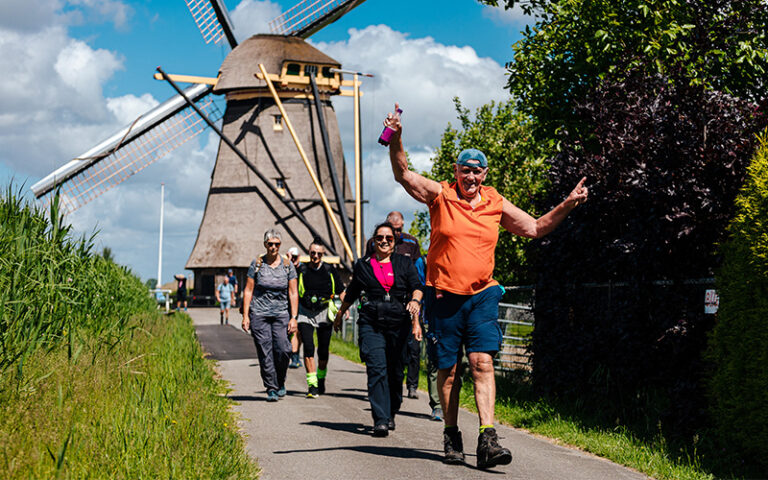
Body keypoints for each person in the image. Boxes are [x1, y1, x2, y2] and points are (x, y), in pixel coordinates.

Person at [384, 103, 588, 468]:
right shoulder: (440, 195)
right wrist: (397, 137)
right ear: (456, 171)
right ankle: (451, 434)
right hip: (444, 295)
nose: (471, 178)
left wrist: (568, 204)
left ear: (486, 174)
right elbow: (403, 173)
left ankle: (488, 438)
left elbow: (536, 228)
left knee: (481, 363)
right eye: (466, 171)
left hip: (481, 295)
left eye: (478, 173)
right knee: (448, 371)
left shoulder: (495, 202)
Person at [334, 222, 424, 437]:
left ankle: (392, 410)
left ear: (394, 242)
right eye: (380, 238)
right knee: (376, 369)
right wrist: (339, 314)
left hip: (398, 323)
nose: (384, 241)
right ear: (373, 241)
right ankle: (381, 419)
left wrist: (415, 302)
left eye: (389, 238)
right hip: (371, 322)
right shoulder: (363, 265)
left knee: (395, 372)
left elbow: (417, 287)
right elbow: (353, 291)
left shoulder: (404, 263)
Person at [366, 211, 423, 400]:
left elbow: (419, 274)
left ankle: (412, 385)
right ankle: (387, 384)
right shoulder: (376, 243)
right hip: (383, 306)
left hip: (410, 302)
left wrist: (417, 299)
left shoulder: (412, 243)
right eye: (393, 230)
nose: (396, 234)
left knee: (414, 348)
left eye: (399, 230)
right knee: (388, 349)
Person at [242, 229, 299, 402]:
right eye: (270, 244)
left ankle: (280, 380)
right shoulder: (257, 264)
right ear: (265, 244)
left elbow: (293, 292)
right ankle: (271, 388)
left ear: (280, 245)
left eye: (277, 244)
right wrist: (246, 316)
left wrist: (294, 317)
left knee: (283, 349)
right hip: (259, 313)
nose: (273, 247)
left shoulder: (287, 265)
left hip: (281, 313)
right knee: (265, 351)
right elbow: (248, 290)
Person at [296, 239, 344, 397]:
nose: (315, 256)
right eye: (312, 253)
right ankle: (312, 385)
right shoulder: (302, 270)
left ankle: (321, 377)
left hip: (324, 312)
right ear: (309, 253)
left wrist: (345, 309)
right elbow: (293, 291)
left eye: (318, 253)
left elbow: (341, 291)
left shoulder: (330, 270)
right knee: (308, 347)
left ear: (323, 255)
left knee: (323, 351)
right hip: (305, 313)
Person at [415, 254, 444, 421]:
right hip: (431, 319)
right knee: (434, 363)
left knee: (458, 363)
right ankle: (438, 406)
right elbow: (418, 287)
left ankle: (450, 400)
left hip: (456, 317)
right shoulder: (424, 261)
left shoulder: (459, 256)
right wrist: (417, 320)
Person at [286, 247, 303, 369]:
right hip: (288, 303)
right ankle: (293, 356)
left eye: (296, 257)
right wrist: (288, 261)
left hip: (301, 304)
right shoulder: (286, 268)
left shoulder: (303, 269)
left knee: (299, 332)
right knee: (291, 331)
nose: (294, 259)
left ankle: (295, 356)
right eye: (292, 257)